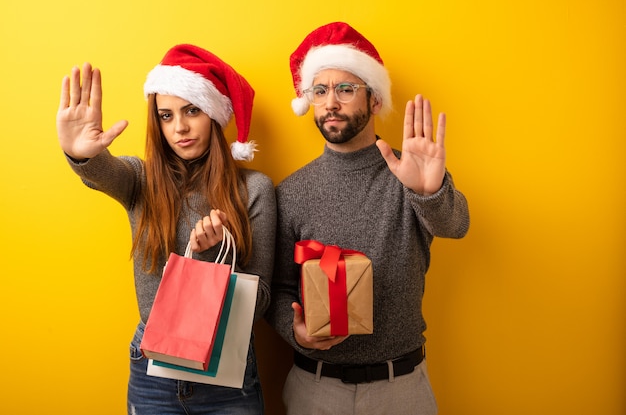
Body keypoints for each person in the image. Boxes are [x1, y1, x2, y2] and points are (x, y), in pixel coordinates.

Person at [56, 44, 276, 415]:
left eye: (192, 110)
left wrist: (212, 259)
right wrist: (82, 155)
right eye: (166, 115)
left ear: (214, 114)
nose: (180, 127)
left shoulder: (254, 189)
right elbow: (103, 171)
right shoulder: (140, 180)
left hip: (226, 369)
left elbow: (262, 302)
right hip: (151, 369)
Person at [265, 22, 470, 415]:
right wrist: (296, 332)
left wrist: (429, 192)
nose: (330, 103)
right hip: (316, 387)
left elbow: (456, 226)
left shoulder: (410, 172)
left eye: (345, 89)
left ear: (374, 101)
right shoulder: (290, 192)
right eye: (320, 91)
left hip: (402, 387)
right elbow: (277, 288)